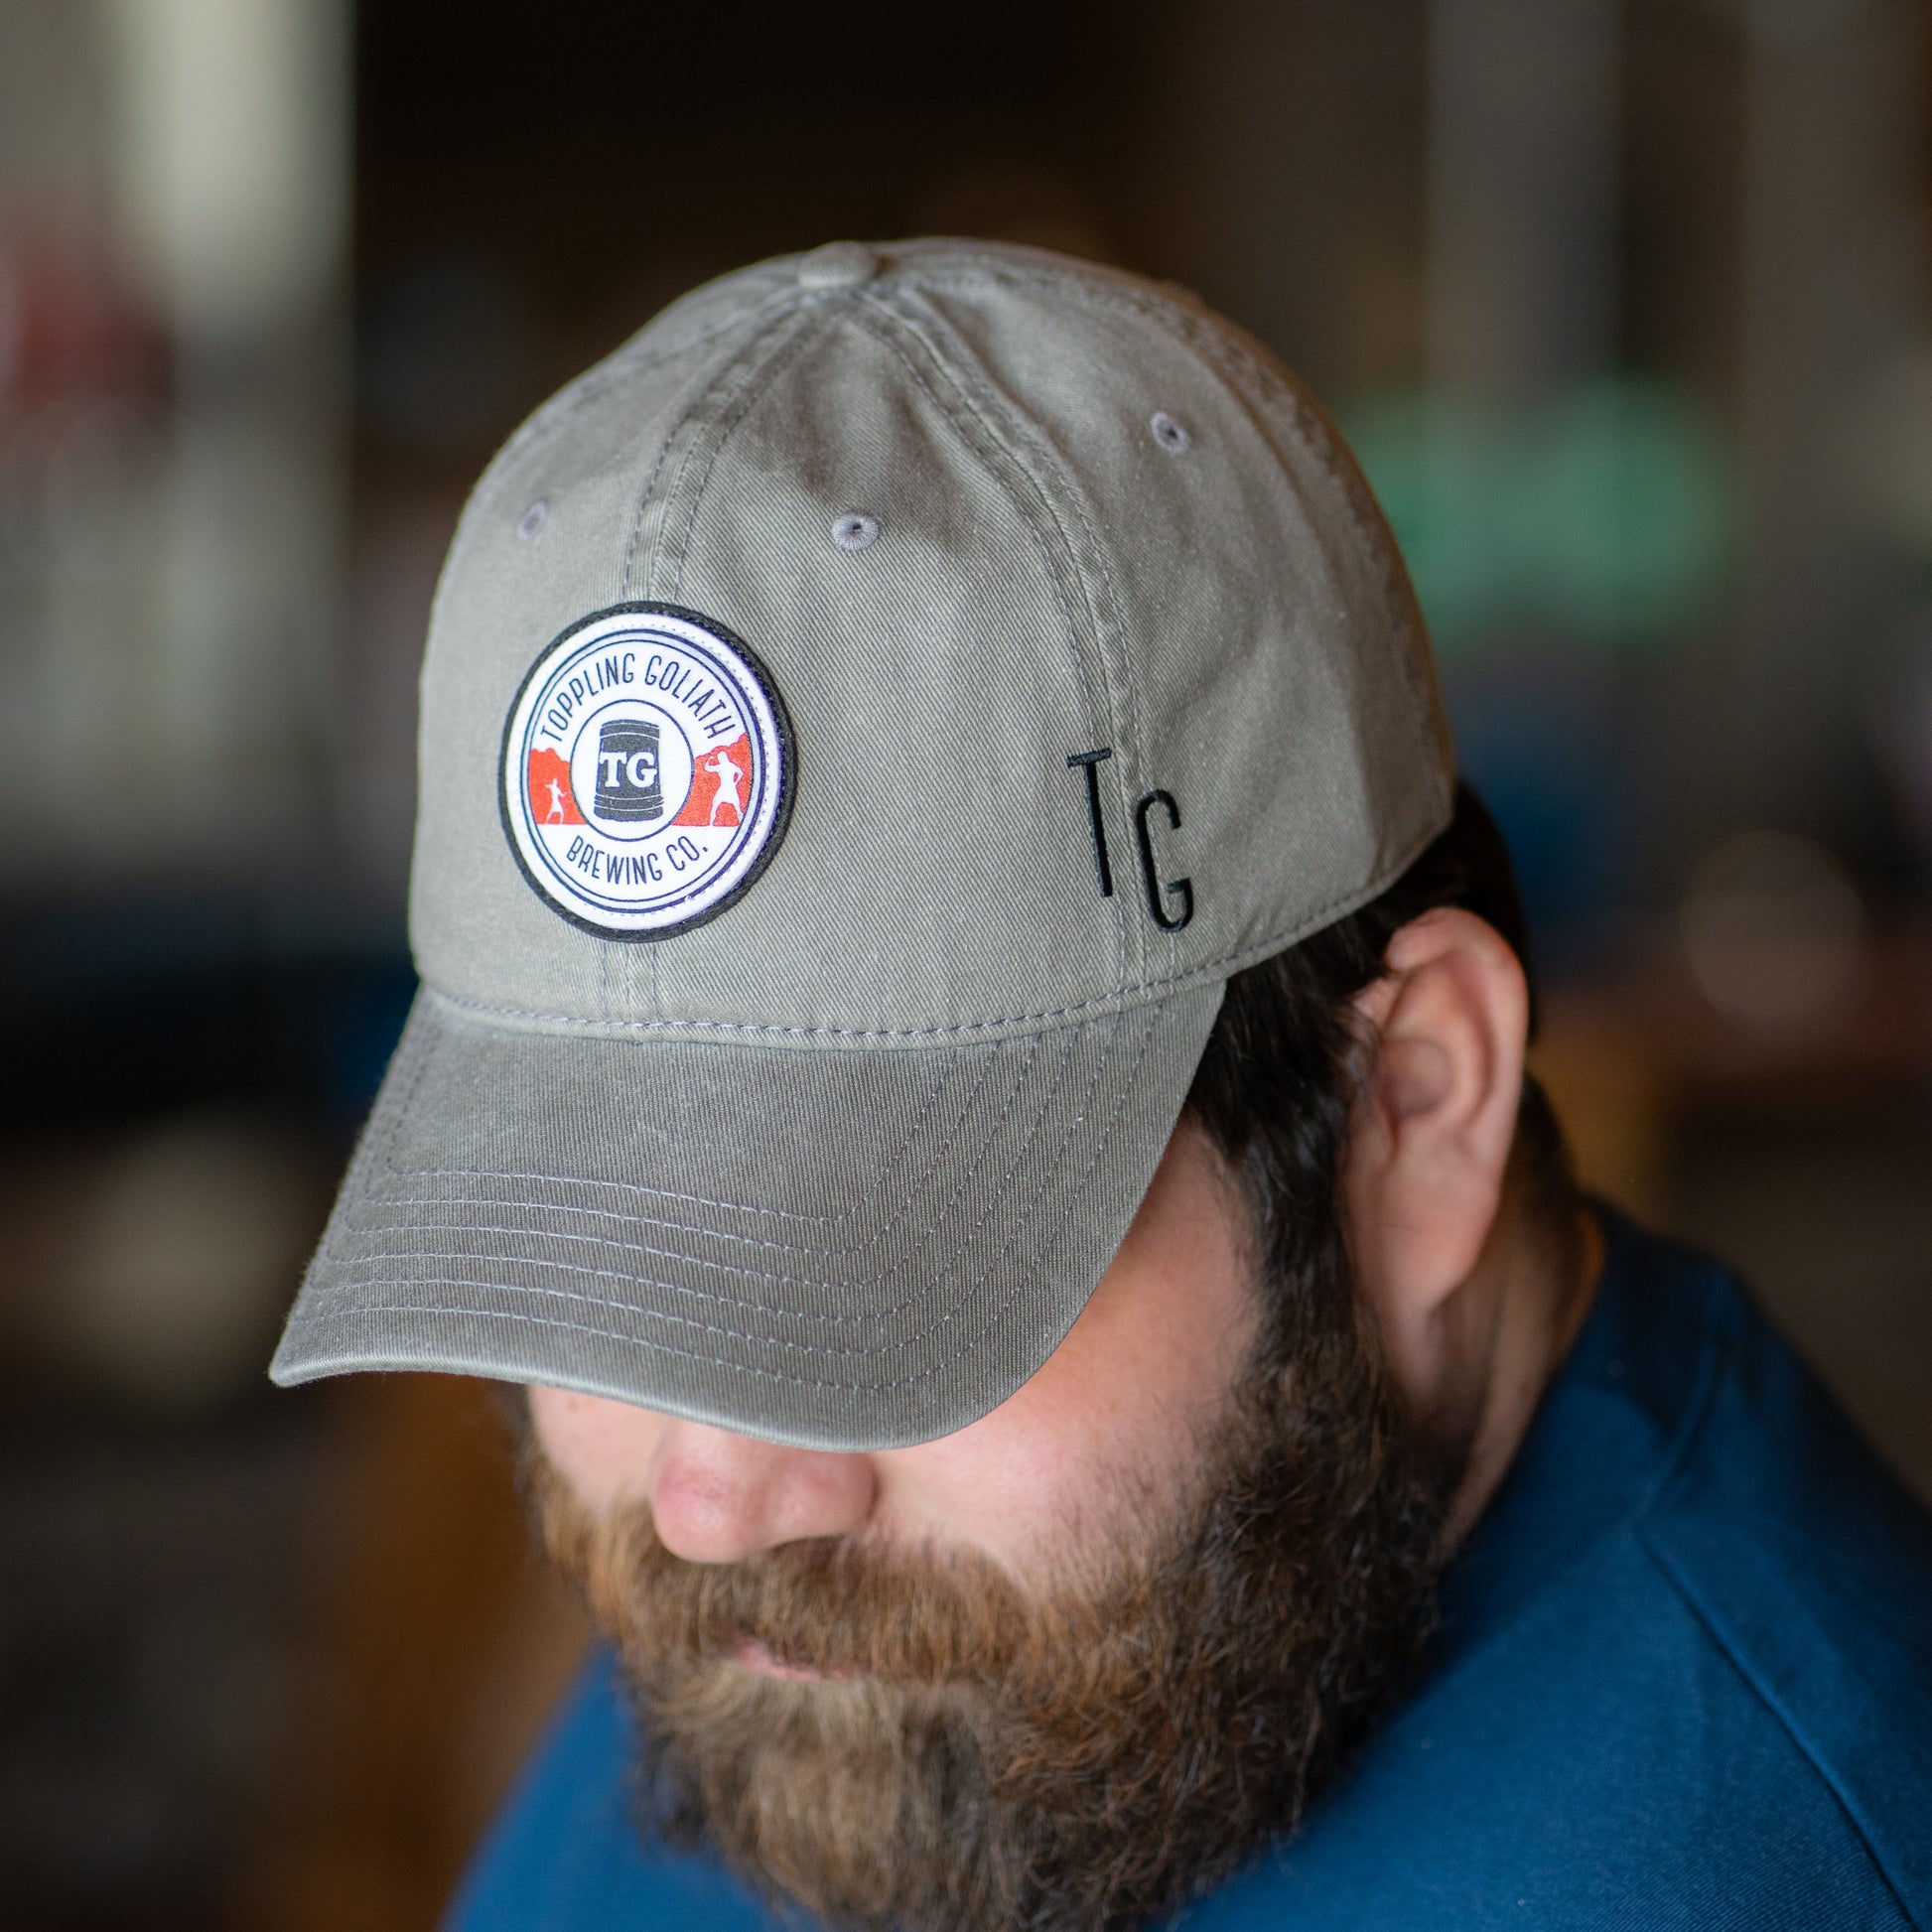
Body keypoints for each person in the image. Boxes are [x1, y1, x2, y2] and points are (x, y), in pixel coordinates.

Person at [271, 240, 1932, 1931]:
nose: (712, 1507)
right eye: (613, 1264)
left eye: (890, 1285)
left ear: (1415, 1106)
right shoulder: (907, 1642)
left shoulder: (1741, 1869)